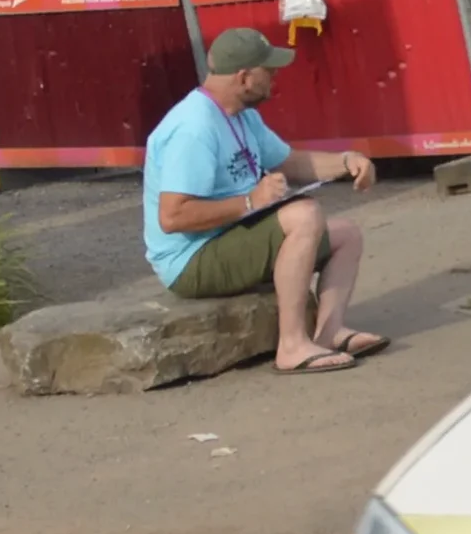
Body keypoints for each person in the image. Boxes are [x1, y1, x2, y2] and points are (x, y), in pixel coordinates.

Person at [142, 25, 382, 375]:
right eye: (268, 71)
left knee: (347, 235)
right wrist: (250, 202)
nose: (275, 78)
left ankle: (329, 332)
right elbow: (174, 216)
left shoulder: (241, 114)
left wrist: (347, 161)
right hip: (190, 259)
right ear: (243, 77)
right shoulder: (193, 128)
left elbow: (287, 161)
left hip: (228, 236)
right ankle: (291, 346)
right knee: (304, 216)